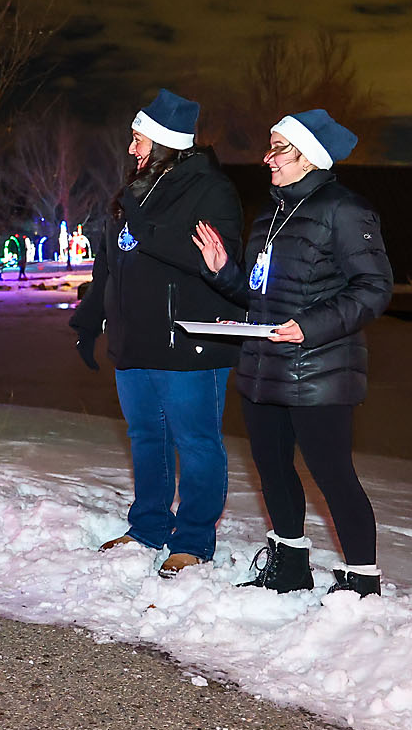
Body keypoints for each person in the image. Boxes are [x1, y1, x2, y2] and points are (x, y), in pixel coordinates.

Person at [192, 109, 393, 597]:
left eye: (279, 148)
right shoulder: (272, 213)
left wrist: (308, 327)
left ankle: (363, 580)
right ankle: (289, 564)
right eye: (271, 146)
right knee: (273, 469)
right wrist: (224, 273)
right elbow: (262, 293)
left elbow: (374, 288)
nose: (268, 158)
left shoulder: (345, 209)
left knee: (332, 473)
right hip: (265, 366)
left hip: (321, 370)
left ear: (310, 158)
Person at [69, 89, 245, 578]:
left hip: (188, 344)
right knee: (146, 436)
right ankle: (148, 527)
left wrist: (144, 224)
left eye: (137, 138)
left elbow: (218, 264)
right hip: (134, 341)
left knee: (196, 441)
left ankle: (193, 540)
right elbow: (110, 262)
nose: (131, 149)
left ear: (165, 141)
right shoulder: (135, 190)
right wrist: (88, 318)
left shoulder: (211, 190)